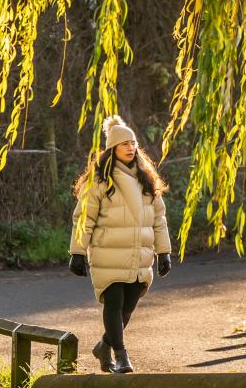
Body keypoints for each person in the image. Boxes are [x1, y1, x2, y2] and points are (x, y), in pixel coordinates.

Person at [68, 115, 172, 373]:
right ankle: (122, 356)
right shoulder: (101, 180)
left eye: (133, 142)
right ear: (112, 148)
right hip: (108, 254)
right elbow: (84, 218)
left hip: (140, 255)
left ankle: (104, 345)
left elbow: (159, 218)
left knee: (128, 307)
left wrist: (164, 251)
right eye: (124, 143)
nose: (130, 147)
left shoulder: (146, 178)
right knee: (114, 304)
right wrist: (77, 252)